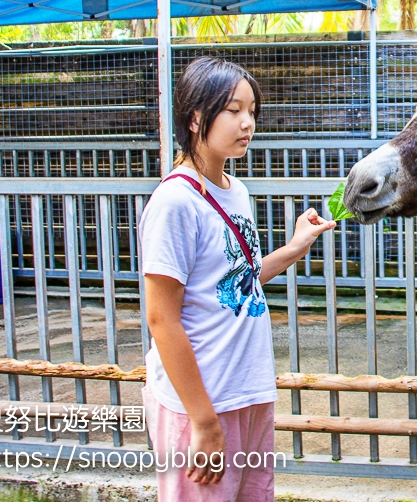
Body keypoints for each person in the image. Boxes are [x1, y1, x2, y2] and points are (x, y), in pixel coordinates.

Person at [139, 57, 336, 501]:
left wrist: (293, 248)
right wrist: (204, 423)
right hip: (201, 402)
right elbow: (161, 320)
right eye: (233, 110)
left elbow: (237, 282)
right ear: (194, 117)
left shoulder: (236, 189)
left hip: (247, 389)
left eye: (252, 111)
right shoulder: (174, 203)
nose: (247, 123)